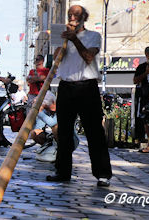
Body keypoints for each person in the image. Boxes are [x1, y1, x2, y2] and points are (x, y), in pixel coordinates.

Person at [45, 5, 112, 187]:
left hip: (87, 86)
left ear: (84, 17)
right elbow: (57, 59)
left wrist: (75, 39)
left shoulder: (93, 36)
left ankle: (102, 174)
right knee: (64, 131)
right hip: (66, 86)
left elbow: (89, 57)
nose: (72, 17)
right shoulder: (63, 36)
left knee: (94, 131)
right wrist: (63, 42)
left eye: (76, 15)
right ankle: (62, 171)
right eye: (70, 15)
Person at [133, 46, 149, 152]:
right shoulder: (142, 67)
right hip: (145, 96)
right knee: (146, 121)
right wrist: (146, 73)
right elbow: (135, 80)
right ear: (147, 55)